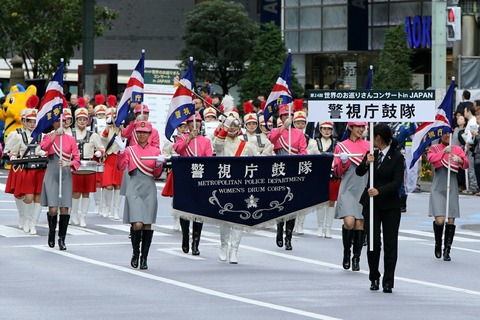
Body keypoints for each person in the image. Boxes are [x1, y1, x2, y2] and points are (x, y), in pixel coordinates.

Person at [356, 123, 405, 293]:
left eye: (372, 136)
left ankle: (388, 280)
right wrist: (365, 163)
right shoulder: (372, 153)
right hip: (372, 205)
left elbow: (397, 182)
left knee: (390, 244)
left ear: (378, 138)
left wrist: (379, 191)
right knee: (373, 242)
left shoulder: (397, 157)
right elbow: (359, 173)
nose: (370, 139)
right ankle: (374, 276)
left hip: (390, 205)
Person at [115, 121, 164, 269]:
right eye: (140, 132)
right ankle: (135, 252)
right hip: (134, 186)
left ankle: (144, 258)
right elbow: (121, 166)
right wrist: (121, 153)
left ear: (150, 134)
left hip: (148, 186)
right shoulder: (130, 150)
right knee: (137, 223)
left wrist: (159, 164)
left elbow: (156, 174)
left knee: (147, 224)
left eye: (145, 132)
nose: (142, 134)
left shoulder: (155, 151)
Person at [213, 113, 257, 264]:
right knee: (225, 218)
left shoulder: (248, 145)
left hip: (242, 185)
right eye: (229, 125)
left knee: (240, 218)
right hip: (225, 184)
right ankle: (224, 246)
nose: (232, 128)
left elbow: (256, 163)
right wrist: (224, 128)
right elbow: (217, 145)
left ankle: (234, 250)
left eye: (234, 125)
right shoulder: (221, 142)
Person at [268, 104, 307, 250]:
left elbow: (303, 152)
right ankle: (279, 230)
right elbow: (271, 140)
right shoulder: (276, 131)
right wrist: (283, 127)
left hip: (293, 170)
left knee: (292, 205)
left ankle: (289, 237)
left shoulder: (299, 134)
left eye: (289, 115)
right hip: (279, 171)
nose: (287, 118)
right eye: (284, 115)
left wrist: (297, 158)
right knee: (280, 203)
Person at [174, 112, 213, 255]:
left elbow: (209, 159)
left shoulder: (205, 141)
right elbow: (178, 149)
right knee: (185, 210)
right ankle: (185, 236)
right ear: (188, 125)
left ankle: (196, 242)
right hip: (185, 177)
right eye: (192, 122)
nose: (195, 125)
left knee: (199, 211)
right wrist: (189, 138)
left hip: (200, 177)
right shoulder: (181, 137)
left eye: (197, 122)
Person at [40, 116, 81, 250]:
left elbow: (77, 159)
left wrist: (69, 163)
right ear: (53, 123)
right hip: (52, 173)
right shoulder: (47, 136)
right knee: (53, 208)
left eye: (62, 121)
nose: (60, 123)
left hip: (65, 174)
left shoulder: (71, 139)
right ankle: (52, 232)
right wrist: (54, 136)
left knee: (64, 208)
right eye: (57, 121)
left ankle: (62, 238)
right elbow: (44, 147)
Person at [333, 122, 369, 271]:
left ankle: (356, 257)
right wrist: (343, 162)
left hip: (363, 187)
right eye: (358, 127)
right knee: (349, 222)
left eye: (363, 127)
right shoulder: (341, 146)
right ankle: (346, 252)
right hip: (347, 187)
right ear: (350, 128)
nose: (361, 130)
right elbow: (337, 173)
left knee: (360, 224)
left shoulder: (368, 145)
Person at [428, 132, 469, 262]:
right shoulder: (434, 148)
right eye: (444, 134)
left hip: (452, 186)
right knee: (440, 220)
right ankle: (438, 243)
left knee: (451, 219)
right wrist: (443, 152)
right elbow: (431, 159)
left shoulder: (457, 148)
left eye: (449, 134)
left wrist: (459, 159)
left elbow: (466, 164)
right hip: (438, 187)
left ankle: (447, 249)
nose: (446, 136)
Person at [71, 108, 105, 226]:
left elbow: (101, 147)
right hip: (75, 165)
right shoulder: (71, 133)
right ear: (76, 120)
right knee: (75, 192)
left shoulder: (93, 135)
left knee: (86, 192)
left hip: (88, 166)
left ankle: (83, 217)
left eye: (84, 119)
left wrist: (100, 152)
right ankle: (74, 214)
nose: (82, 121)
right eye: (80, 119)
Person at [314, 121, 339, 238]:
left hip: (333, 174)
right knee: (320, 201)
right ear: (320, 129)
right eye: (324, 128)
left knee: (331, 201)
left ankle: (328, 227)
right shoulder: (314, 143)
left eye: (329, 129)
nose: (326, 131)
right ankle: (320, 226)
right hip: (319, 175)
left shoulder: (337, 144)